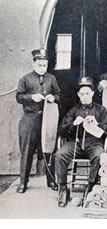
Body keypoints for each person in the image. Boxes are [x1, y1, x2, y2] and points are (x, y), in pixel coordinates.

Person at [55, 77, 107, 207]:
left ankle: (90, 186)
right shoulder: (73, 110)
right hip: (75, 143)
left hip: (94, 143)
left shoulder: (100, 110)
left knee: (99, 156)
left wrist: (97, 124)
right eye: (82, 94)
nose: (85, 96)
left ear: (92, 93)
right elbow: (61, 130)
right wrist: (73, 124)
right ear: (78, 95)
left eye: (87, 93)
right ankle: (63, 188)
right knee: (59, 155)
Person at [16, 48, 60, 193]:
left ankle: (51, 181)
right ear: (34, 64)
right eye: (40, 65)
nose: (42, 68)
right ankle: (23, 182)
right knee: (27, 150)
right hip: (30, 119)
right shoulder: (25, 79)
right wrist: (31, 97)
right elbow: (19, 97)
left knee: (49, 149)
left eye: (45, 65)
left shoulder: (51, 78)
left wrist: (54, 98)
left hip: (47, 118)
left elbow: (59, 94)